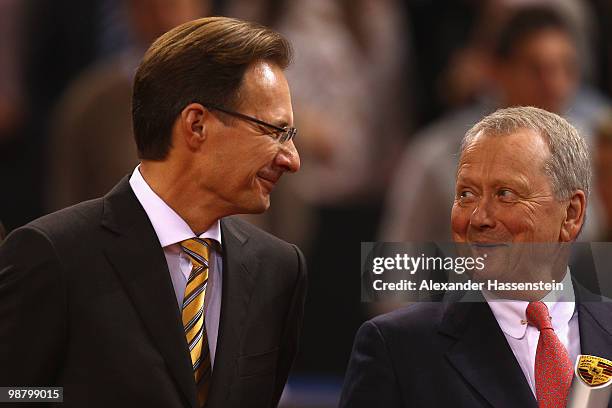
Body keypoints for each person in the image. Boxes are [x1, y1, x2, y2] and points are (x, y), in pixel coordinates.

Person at [0, 17, 306, 408]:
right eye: (274, 131)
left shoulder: (278, 269)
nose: (292, 160)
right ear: (196, 125)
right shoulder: (52, 254)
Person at [340, 106, 612, 407]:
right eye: (466, 195)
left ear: (571, 214)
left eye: (505, 194)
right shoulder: (396, 348)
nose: (478, 218)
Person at [379, 4, 610, 243]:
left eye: (566, 68)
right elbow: (399, 262)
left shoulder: (597, 148)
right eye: (536, 69)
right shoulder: (437, 154)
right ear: (497, 71)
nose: (555, 86)